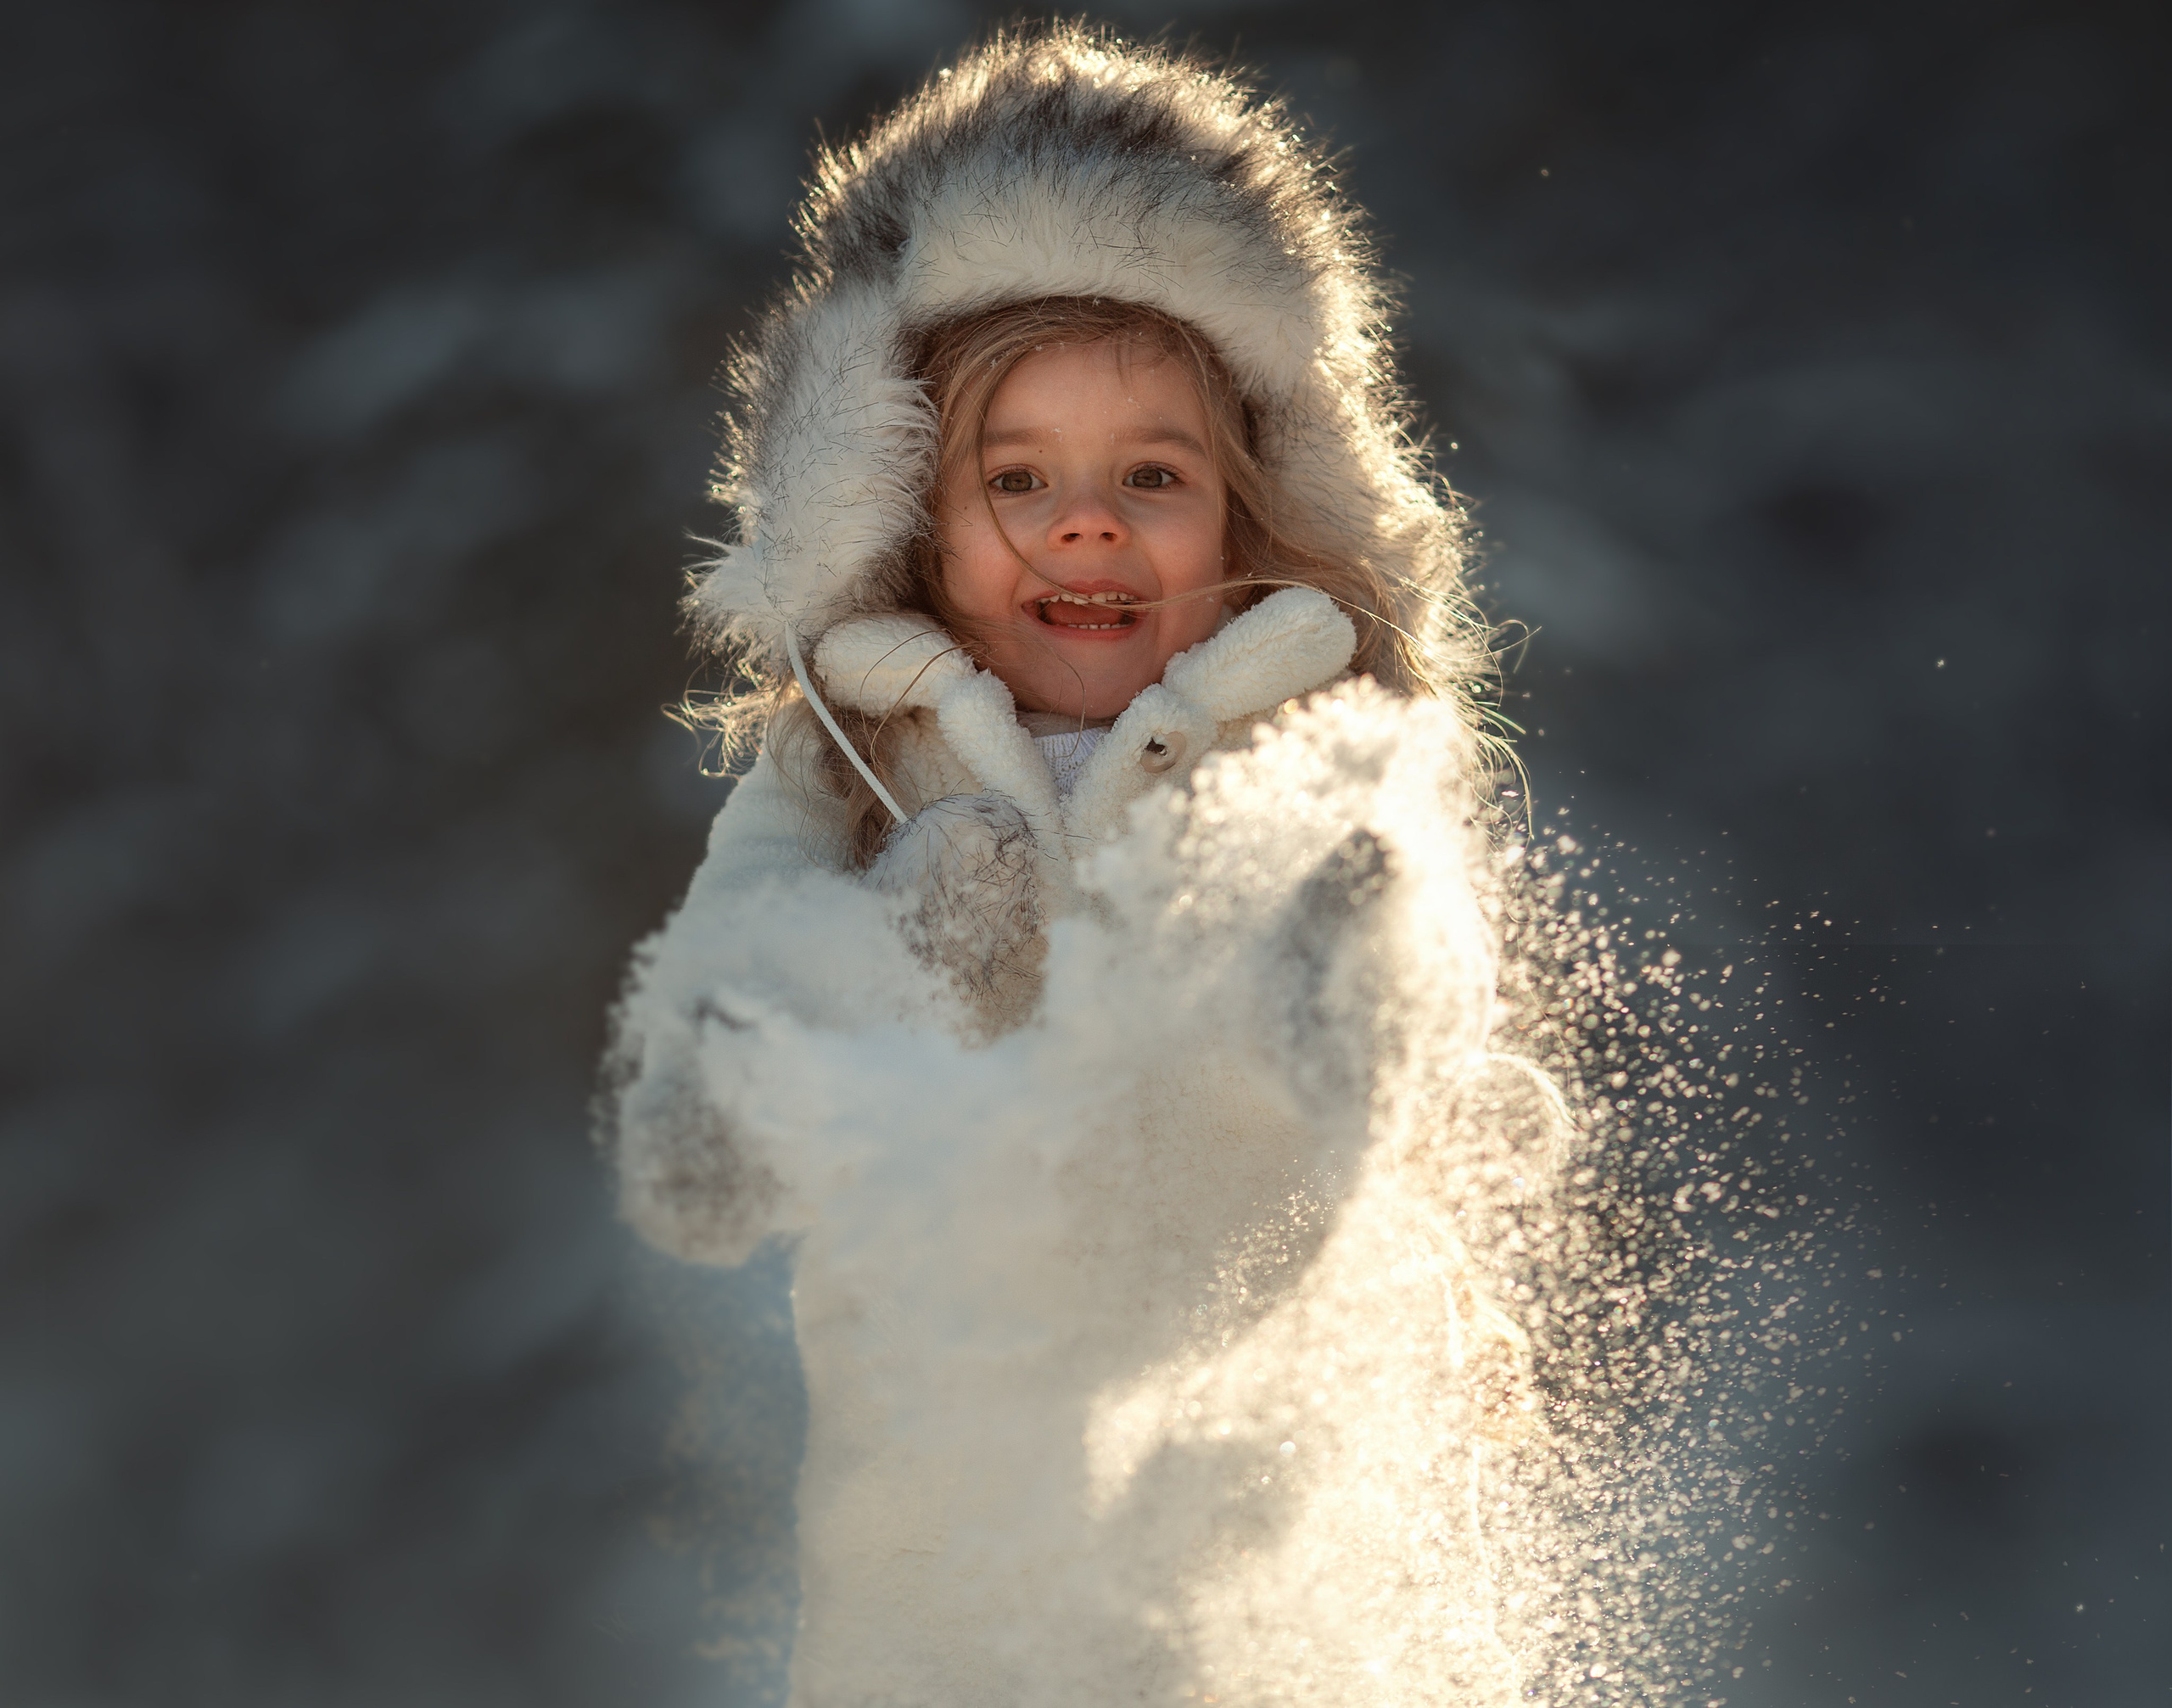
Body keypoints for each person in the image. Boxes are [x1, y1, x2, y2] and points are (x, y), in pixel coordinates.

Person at [606, 25, 1562, 1706]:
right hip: (934, 1535)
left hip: (1243, 1426)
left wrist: (1391, 1011)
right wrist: (860, 975)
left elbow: (1421, 918)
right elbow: (739, 951)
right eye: (1017, 476)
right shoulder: (852, 754)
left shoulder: (1303, 727)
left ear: (1251, 512)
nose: (1087, 522)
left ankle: (1292, 1028)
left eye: (1153, 477)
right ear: (901, 506)